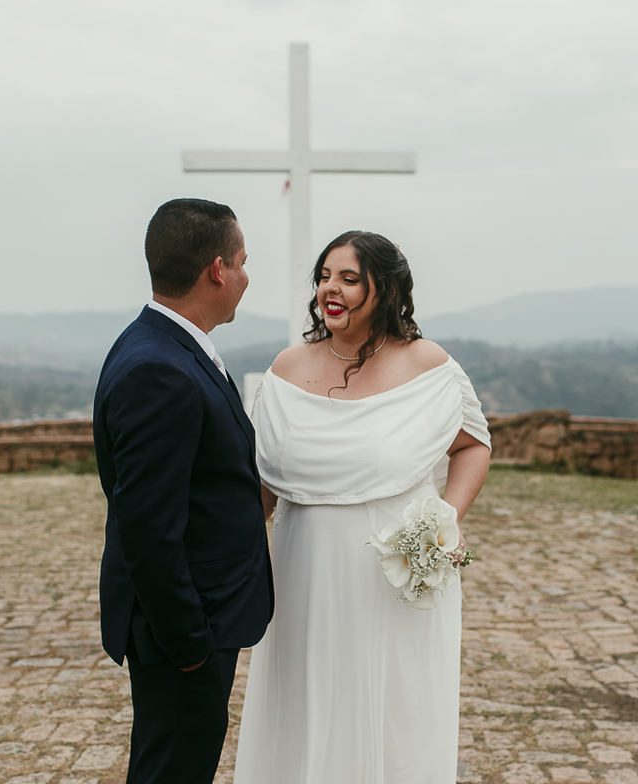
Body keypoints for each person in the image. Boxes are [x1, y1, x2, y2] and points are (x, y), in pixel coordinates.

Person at [232, 230, 492, 784]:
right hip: (304, 575)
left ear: (388, 288)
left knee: (391, 711)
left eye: (349, 279)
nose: (332, 288)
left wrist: (446, 518)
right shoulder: (284, 370)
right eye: (325, 276)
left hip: (391, 581)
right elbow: (263, 481)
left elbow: (472, 444)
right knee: (308, 705)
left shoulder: (428, 364)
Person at [94, 198, 274, 784]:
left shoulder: (168, 346)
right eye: (243, 262)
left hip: (199, 619)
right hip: (186, 628)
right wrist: (190, 643)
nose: (248, 276)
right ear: (217, 269)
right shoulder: (159, 369)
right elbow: (147, 526)